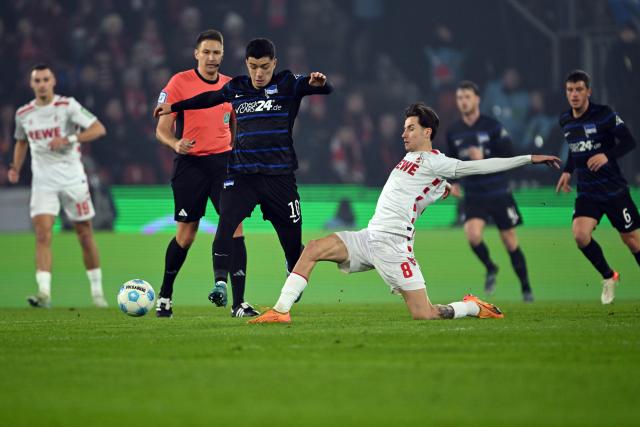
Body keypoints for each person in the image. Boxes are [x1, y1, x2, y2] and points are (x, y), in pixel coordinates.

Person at [249, 103, 560, 324]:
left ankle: (472, 308)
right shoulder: (413, 160)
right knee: (314, 248)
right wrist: (444, 190)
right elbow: (422, 192)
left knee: (423, 314)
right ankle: (280, 310)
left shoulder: (436, 162)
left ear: (428, 132)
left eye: (410, 128)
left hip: (395, 246)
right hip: (370, 237)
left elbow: (479, 166)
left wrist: (530, 158)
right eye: (404, 128)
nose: (404, 134)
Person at [154, 38, 333, 311]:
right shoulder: (236, 87)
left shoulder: (287, 83)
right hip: (242, 176)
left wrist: (320, 83)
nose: (258, 74)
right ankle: (221, 285)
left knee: (293, 245)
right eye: (253, 67)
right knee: (227, 225)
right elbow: (209, 98)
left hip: (279, 177)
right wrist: (174, 107)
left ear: (274, 63)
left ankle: (291, 266)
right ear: (246, 65)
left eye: (263, 67)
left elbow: (321, 86)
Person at [154, 29, 255, 318]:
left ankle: (239, 303)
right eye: (207, 52)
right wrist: (175, 143)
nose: (212, 57)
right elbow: (161, 129)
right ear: (197, 54)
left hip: (223, 165)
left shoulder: (229, 86)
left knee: (235, 225)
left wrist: (233, 149)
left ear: (223, 55)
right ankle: (165, 295)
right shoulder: (179, 83)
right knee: (186, 236)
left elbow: (235, 123)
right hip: (190, 165)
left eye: (217, 53)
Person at [8, 64, 108, 308]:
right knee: (42, 233)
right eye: (37, 80)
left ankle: (97, 293)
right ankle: (44, 293)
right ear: (31, 84)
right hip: (43, 181)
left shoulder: (67, 106)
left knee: (84, 234)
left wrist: (69, 138)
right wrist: (15, 167)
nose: (42, 84)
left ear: (53, 82)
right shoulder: (24, 114)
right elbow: (21, 142)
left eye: (45, 79)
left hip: (73, 179)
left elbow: (98, 128)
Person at [555, 70, 640, 304]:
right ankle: (609, 276)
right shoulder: (565, 120)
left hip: (614, 191)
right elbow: (576, 149)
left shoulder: (605, 115)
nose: (574, 94)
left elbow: (629, 142)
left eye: (579, 89)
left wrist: (606, 155)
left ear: (588, 92)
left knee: (632, 241)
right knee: (580, 236)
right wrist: (568, 171)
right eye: (570, 90)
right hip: (588, 193)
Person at [446, 81, 534, 302]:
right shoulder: (453, 131)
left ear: (477, 99)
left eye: (467, 96)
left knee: (510, 240)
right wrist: (451, 181)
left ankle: (526, 288)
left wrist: (484, 159)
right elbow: (448, 162)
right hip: (474, 193)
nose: (463, 101)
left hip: (498, 192)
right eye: (460, 98)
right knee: (473, 235)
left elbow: (509, 154)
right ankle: (491, 267)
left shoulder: (493, 126)